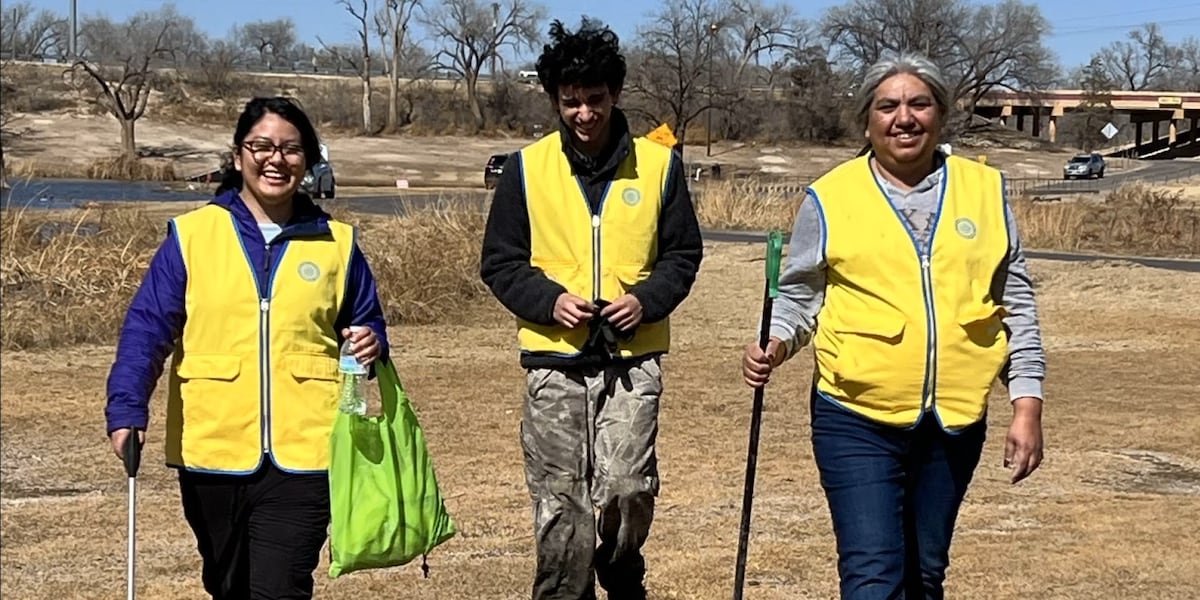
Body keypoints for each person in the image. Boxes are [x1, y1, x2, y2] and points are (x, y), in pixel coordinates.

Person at [742, 52, 1047, 600]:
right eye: (888, 106)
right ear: (867, 120)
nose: (904, 117)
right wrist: (776, 342)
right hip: (855, 415)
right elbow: (800, 295)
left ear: (940, 114)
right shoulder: (830, 197)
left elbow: (1014, 300)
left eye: (918, 103)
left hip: (953, 421)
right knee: (873, 578)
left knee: (925, 574)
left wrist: (1027, 404)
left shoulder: (985, 190)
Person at [104, 96, 389, 599]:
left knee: (280, 589)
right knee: (227, 585)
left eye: (291, 149)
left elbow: (366, 322)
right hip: (211, 447)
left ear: (308, 160)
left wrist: (371, 341)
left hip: (307, 452)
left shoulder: (338, 243)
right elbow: (148, 328)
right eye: (261, 146)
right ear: (238, 156)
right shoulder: (191, 236)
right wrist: (127, 407)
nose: (276, 159)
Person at [480, 18, 704, 600]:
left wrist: (647, 300)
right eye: (571, 102)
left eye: (595, 100)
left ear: (616, 94)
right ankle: (561, 591)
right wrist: (551, 302)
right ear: (555, 100)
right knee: (562, 499)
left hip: (633, 361)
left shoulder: (659, 167)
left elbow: (683, 253)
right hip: (553, 362)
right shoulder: (526, 169)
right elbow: (500, 263)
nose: (584, 114)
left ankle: (621, 565)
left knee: (628, 487)